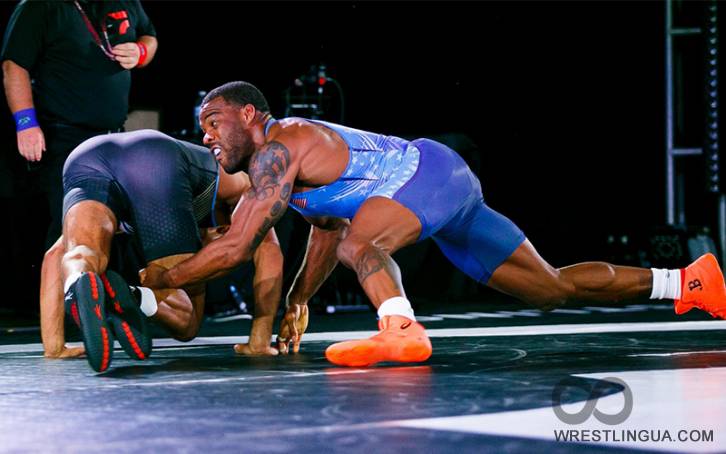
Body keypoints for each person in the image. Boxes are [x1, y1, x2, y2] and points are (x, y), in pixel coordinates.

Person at [142, 81, 726, 367]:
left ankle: (400, 329)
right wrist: (298, 299)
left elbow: (237, 247)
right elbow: (324, 228)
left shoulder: (279, 147)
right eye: (201, 126)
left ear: (249, 113)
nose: (206, 135)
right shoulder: (288, 172)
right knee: (550, 288)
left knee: (362, 243)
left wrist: (156, 280)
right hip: (442, 189)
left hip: (428, 173)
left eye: (214, 121)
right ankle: (689, 282)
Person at [44, 129, 283, 372]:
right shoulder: (242, 188)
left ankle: (80, 283)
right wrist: (260, 339)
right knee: (188, 320)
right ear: (224, 229)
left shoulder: (180, 203)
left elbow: (54, 255)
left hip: (86, 156)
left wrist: (54, 346)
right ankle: (132, 296)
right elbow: (269, 247)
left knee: (81, 252)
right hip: (156, 159)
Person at [1, 0, 158, 248]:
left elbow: (149, 35)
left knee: (114, 229)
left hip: (115, 137)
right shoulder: (39, 6)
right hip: (66, 137)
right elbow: (14, 66)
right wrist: (26, 124)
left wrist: (141, 51)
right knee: (71, 231)